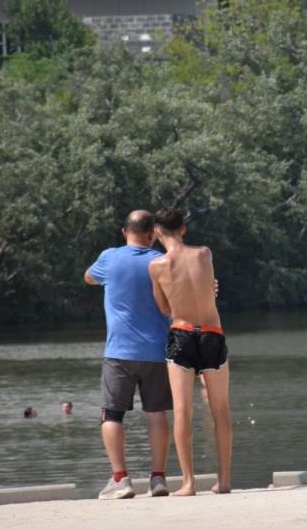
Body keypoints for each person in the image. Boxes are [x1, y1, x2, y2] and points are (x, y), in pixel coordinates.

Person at [85, 210, 173, 499]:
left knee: (111, 414)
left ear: (125, 232)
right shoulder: (161, 261)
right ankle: (158, 478)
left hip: (119, 353)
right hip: (157, 352)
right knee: (157, 413)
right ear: (152, 234)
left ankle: (121, 480)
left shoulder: (109, 258)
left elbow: (88, 278)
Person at [149, 207, 232, 496]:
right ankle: (223, 481)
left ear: (157, 232)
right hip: (212, 333)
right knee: (220, 410)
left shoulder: (157, 266)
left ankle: (188, 482)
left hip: (182, 334)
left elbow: (163, 308)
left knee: (183, 411)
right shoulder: (204, 254)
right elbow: (211, 288)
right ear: (183, 229)